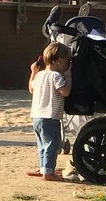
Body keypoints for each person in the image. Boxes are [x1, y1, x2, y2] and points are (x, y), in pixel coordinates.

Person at [27, 42, 72, 182]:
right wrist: (69, 78)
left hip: (36, 117)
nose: (68, 65)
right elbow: (65, 92)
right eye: (67, 62)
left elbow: (31, 89)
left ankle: (44, 169)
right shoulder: (56, 76)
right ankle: (48, 172)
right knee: (52, 145)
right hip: (50, 116)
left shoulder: (39, 75)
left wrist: (33, 72)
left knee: (42, 145)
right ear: (59, 61)